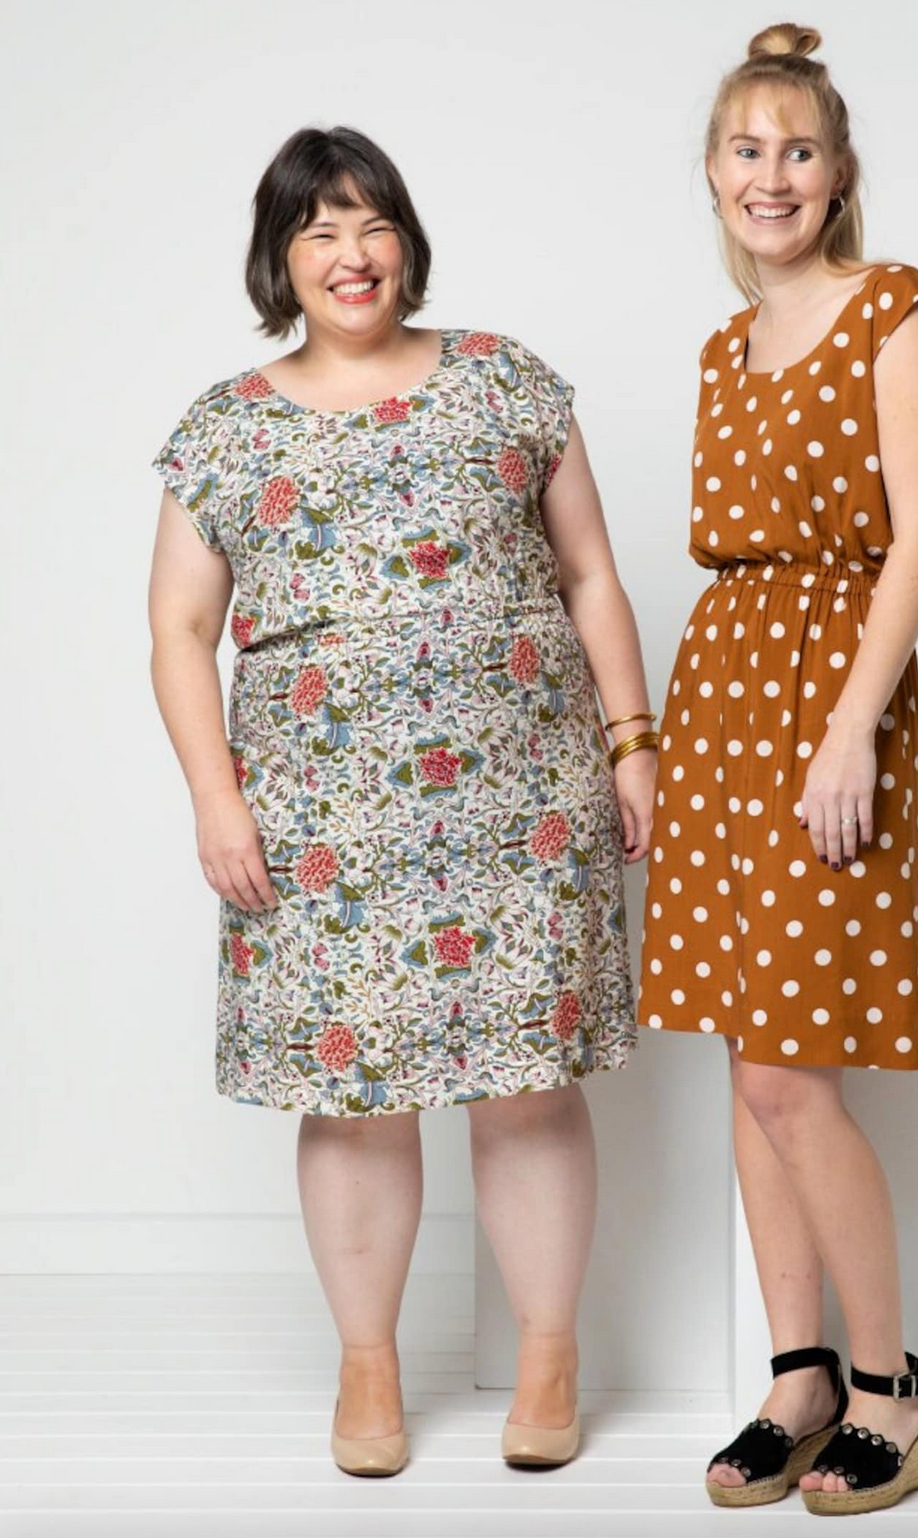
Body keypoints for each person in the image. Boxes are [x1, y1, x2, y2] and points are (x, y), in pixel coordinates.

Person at [148, 125, 657, 1478]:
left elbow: (593, 574)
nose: (349, 253)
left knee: (530, 1084)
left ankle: (548, 1352)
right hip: (323, 815)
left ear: (406, 241)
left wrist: (631, 741)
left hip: (524, 798)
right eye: (316, 231)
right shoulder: (223, 427)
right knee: (353, 1096)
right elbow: (176, 629)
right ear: (280, 260)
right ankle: (365, 1364)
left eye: (369, 224)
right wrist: (216, 797)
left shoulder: (507, 382)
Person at [638, 23, 918, 1517]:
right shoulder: (722, 344)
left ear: (838, 177)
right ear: (711, 174)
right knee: (739, 1049)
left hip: (830, 692)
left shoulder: (892, 310)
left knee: (788, 1064)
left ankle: (894, 1387)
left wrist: (848, 724)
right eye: (746, 149)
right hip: (722, 695)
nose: (771, 175)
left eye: (799, 150)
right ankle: (795, 1372)